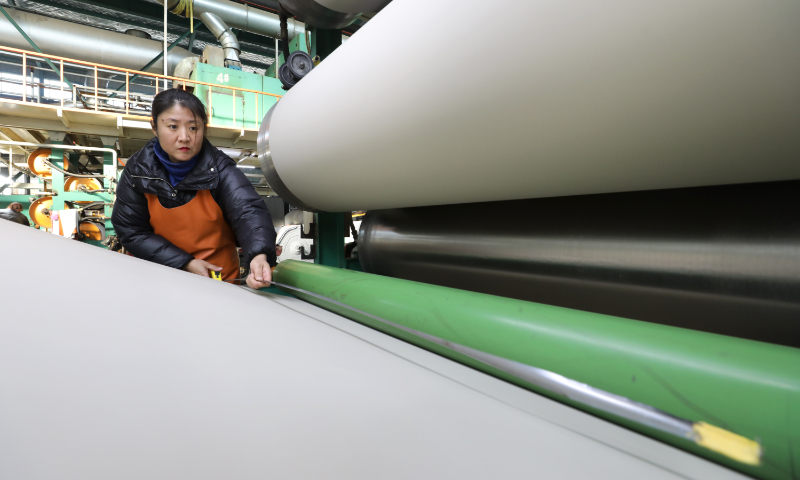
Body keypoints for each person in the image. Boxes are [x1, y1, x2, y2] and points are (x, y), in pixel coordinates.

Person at [112, 89, 276, 288]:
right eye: (173, 126)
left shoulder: (220, 169)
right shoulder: (137, 171)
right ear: (154, 127)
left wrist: (258, 256)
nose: (184, 137)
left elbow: (248, 211)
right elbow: (131, 231)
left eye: (193, 128)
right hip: (158, 280)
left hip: (219, 283)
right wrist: (185, 263)